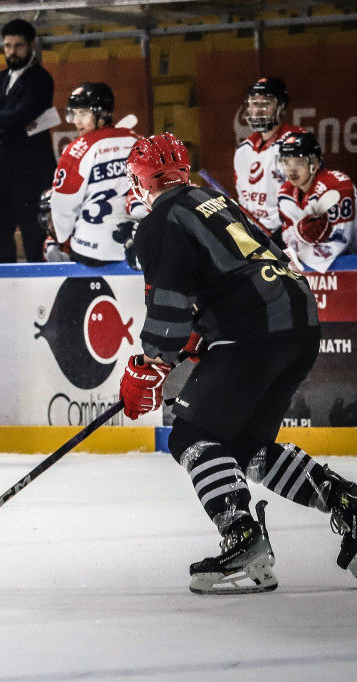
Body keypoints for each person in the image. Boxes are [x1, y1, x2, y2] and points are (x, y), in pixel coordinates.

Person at [119, 132, 357, 594]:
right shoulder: (211, 199)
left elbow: (168, 306)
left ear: (142, 180)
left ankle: (241, 535)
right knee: (247, 444)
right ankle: (347, 501)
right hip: (298, 320)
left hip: (253, 329)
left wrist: (150, 364)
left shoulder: (161, 220)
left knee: (192, 434)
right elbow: (236, 270)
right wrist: (191, 340)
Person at [0, 18, 57, 263]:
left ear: (31, 45)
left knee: (34, 238)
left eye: (18, 45)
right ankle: (5, 290)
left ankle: (39, 295)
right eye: (7, 45)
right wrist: (5, 120)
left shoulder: (40, 79)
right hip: (0, 174)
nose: (12, 51)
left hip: (32, 174)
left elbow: (22, 116)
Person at [46, 82, 139, 265]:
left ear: (103, 114)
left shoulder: (75, 152)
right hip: (134, 250)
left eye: (83, 113)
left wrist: (64, 241)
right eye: (74, 113)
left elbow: (61, 208)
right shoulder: (137, 141)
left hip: (91, 251)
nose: (76, 121)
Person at [233, 77, 305, 240]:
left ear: (281, 106)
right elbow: (244, 200)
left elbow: (312, 198)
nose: (258, 110)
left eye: (266, 103)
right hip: (253, 237)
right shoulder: (243, 150)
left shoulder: (298, 142)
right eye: (254, 103)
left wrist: (289, 231)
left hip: (290, 238)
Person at [276, 131, 356, 273]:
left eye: (299, 162)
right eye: (286, 162)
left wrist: (296, 256)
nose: (291, 170)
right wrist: (299, 235)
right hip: (323, 272)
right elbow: (289, 239)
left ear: (315, 162)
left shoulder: (338, 186)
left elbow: (339, 244)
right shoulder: (285, 194)